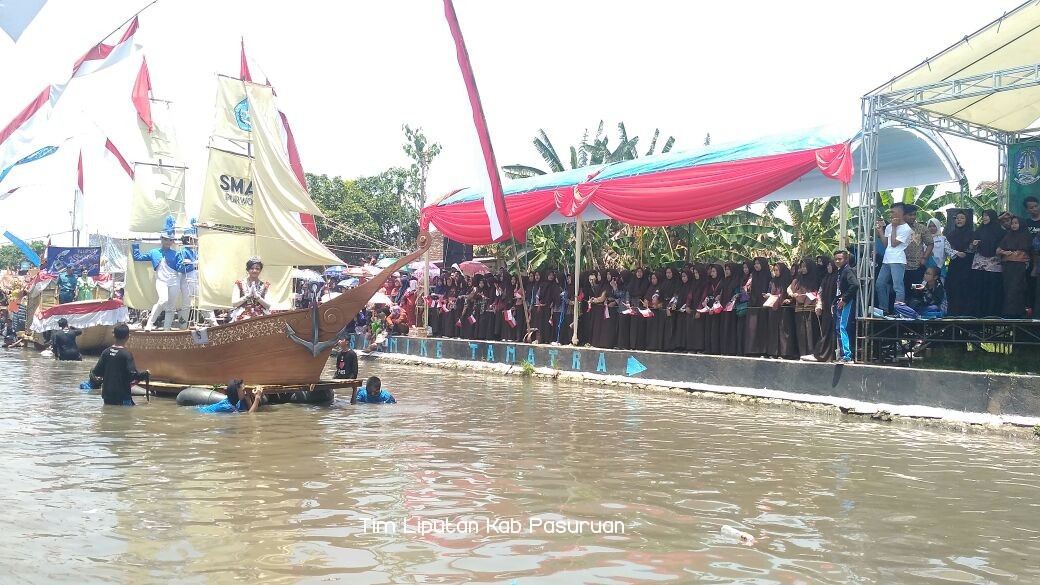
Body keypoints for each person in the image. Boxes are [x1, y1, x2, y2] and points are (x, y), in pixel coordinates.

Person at [132, 230, 181, 330]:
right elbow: (137, 257)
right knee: (163, 300)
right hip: (161, 281)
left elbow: (181, 267)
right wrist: (136, 243)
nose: (168, 242)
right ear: (161, 239)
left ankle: (166, 328)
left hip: (174, 282)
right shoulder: (154, 252)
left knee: (171, 306)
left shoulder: (176, 254)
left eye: (170, 240)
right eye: (166, 239)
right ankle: (150, 323)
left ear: (172, 242)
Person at [91, 323, 149, 406]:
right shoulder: (126, 354)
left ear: (114, 336)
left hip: (107, 396)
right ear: (128, 336)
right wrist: (145, 374)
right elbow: (133, 375)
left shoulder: (106, 352)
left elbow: (96, 372)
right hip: (122, 396)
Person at [874, 203, 912, 314]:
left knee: (897, 286)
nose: (891, 214)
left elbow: (895, 243)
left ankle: (899, 310)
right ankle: (884, 309)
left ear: (901, 213)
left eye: (893, 212)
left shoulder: (906, 229)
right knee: (879, 284)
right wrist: (880, 230)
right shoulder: (890, 226)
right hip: (887, 259)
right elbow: (887, 244)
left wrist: (894, 228)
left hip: (898, 259)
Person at [970, 210, 1005, 317]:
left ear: (992, 217)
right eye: (983, 215)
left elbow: (1003, 245)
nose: (984, 217)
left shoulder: (1001, 231)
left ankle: (992, 314)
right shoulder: (979, 230)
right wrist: (974, 244)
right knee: (978, 288)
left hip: (994, 263)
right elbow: (971, 247)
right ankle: (978, 314)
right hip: (979, 263)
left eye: (987, 215)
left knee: (993, 289)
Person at [996, 216, 1033, 318]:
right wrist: (1005, 253)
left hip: (1019, 267)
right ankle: (1008, 312)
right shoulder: (1008, 235)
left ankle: (1018, 312)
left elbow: (1021, 254)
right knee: (1008, 288)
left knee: (1017, 288)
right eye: (1012, 223)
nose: (1014, 225)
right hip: (1008, 268)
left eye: (1016, 223)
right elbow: (998, 250)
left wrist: (1007, 255)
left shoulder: (1026, 236)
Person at [944, 210, 975, 316]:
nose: (959, 220)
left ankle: (965, 317)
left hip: (967, 266)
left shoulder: (971, 234)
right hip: (954, 265)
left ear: (967, 220)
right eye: (957, 218)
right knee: (953, 290)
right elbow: (948, 248)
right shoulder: (951, 234)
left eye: (962, 218)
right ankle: (953, 315)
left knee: (965, 290)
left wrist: (969, 249)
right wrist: (957, 253)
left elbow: (973, 250)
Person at [832, 249, 859, 363]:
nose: (837, 261)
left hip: (846, 303)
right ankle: (842, 354)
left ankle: (847, 356)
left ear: (846, 259)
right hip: (839, 303)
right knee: (839, 328)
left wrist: (845, 299)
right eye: (836, 259)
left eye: (840, 259)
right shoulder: (840, 271)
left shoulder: (848, 271)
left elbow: (855, 285)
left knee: (843, 327)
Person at [902, 205, 934, 295]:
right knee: (903, 289)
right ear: (903, 215)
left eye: (914, 215)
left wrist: (924, 258)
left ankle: (916, 306)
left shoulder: (921, 228)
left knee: (916, 289)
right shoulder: (898, 228)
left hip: (916, 266)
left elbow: (930, 243)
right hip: (901, 265)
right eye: (910, 215)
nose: (912, 217)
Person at [230, 256, 272, 322]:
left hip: (260, 317)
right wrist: (247, 296)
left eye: (257, 268)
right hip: (242, 316)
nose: (254, 270)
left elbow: (268, 306)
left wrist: (258, 297)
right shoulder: (239, 284)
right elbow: (234, 303)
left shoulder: (265, 286)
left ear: (260, 270)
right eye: (252, 268)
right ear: (247, 269)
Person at [196, 379, 263, 413]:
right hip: (201, 412)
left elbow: (249, 411)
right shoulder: (228, 407)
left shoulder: (239, 401)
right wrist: (257, 398)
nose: (245, 391)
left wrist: (248, 398)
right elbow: (249, 417)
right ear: (235, 392)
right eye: (243, 390)